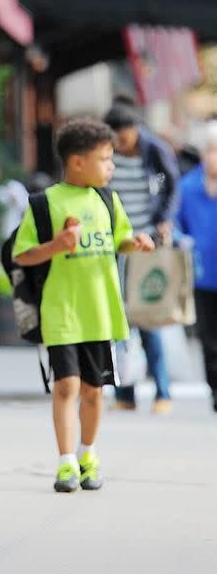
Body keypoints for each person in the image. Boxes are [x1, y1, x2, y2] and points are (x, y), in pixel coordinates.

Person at [13, 119, 154, 493]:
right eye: (105, 159)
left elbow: (120, 237)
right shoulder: (45, 204)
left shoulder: (108, 200)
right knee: (66, 386)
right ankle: (65, 463)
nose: (111, 167)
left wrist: (134, 242)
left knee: (94, 390)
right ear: (77, 162)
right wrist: (56, 246)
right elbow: (23, 255)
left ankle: (88, 453)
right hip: (61, 312)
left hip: (99, 311)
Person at [104, 96, 180, 414]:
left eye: (124, 138)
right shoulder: (104, 153)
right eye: (114, 139)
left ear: (135, 130)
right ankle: (125, 394)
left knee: (147, 318)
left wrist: (164, 220)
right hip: (114, 245)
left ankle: (162, 392)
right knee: (120, 321)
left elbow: (172, 185)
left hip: (146, 244)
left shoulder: (153, 149)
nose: (120, 145)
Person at [177, 121, 217, 412]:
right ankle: (215, 390)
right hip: (203, 275)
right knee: (208, 339)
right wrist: (182, 241)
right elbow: (176, 224)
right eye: (210, 150)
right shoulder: (188, 186)